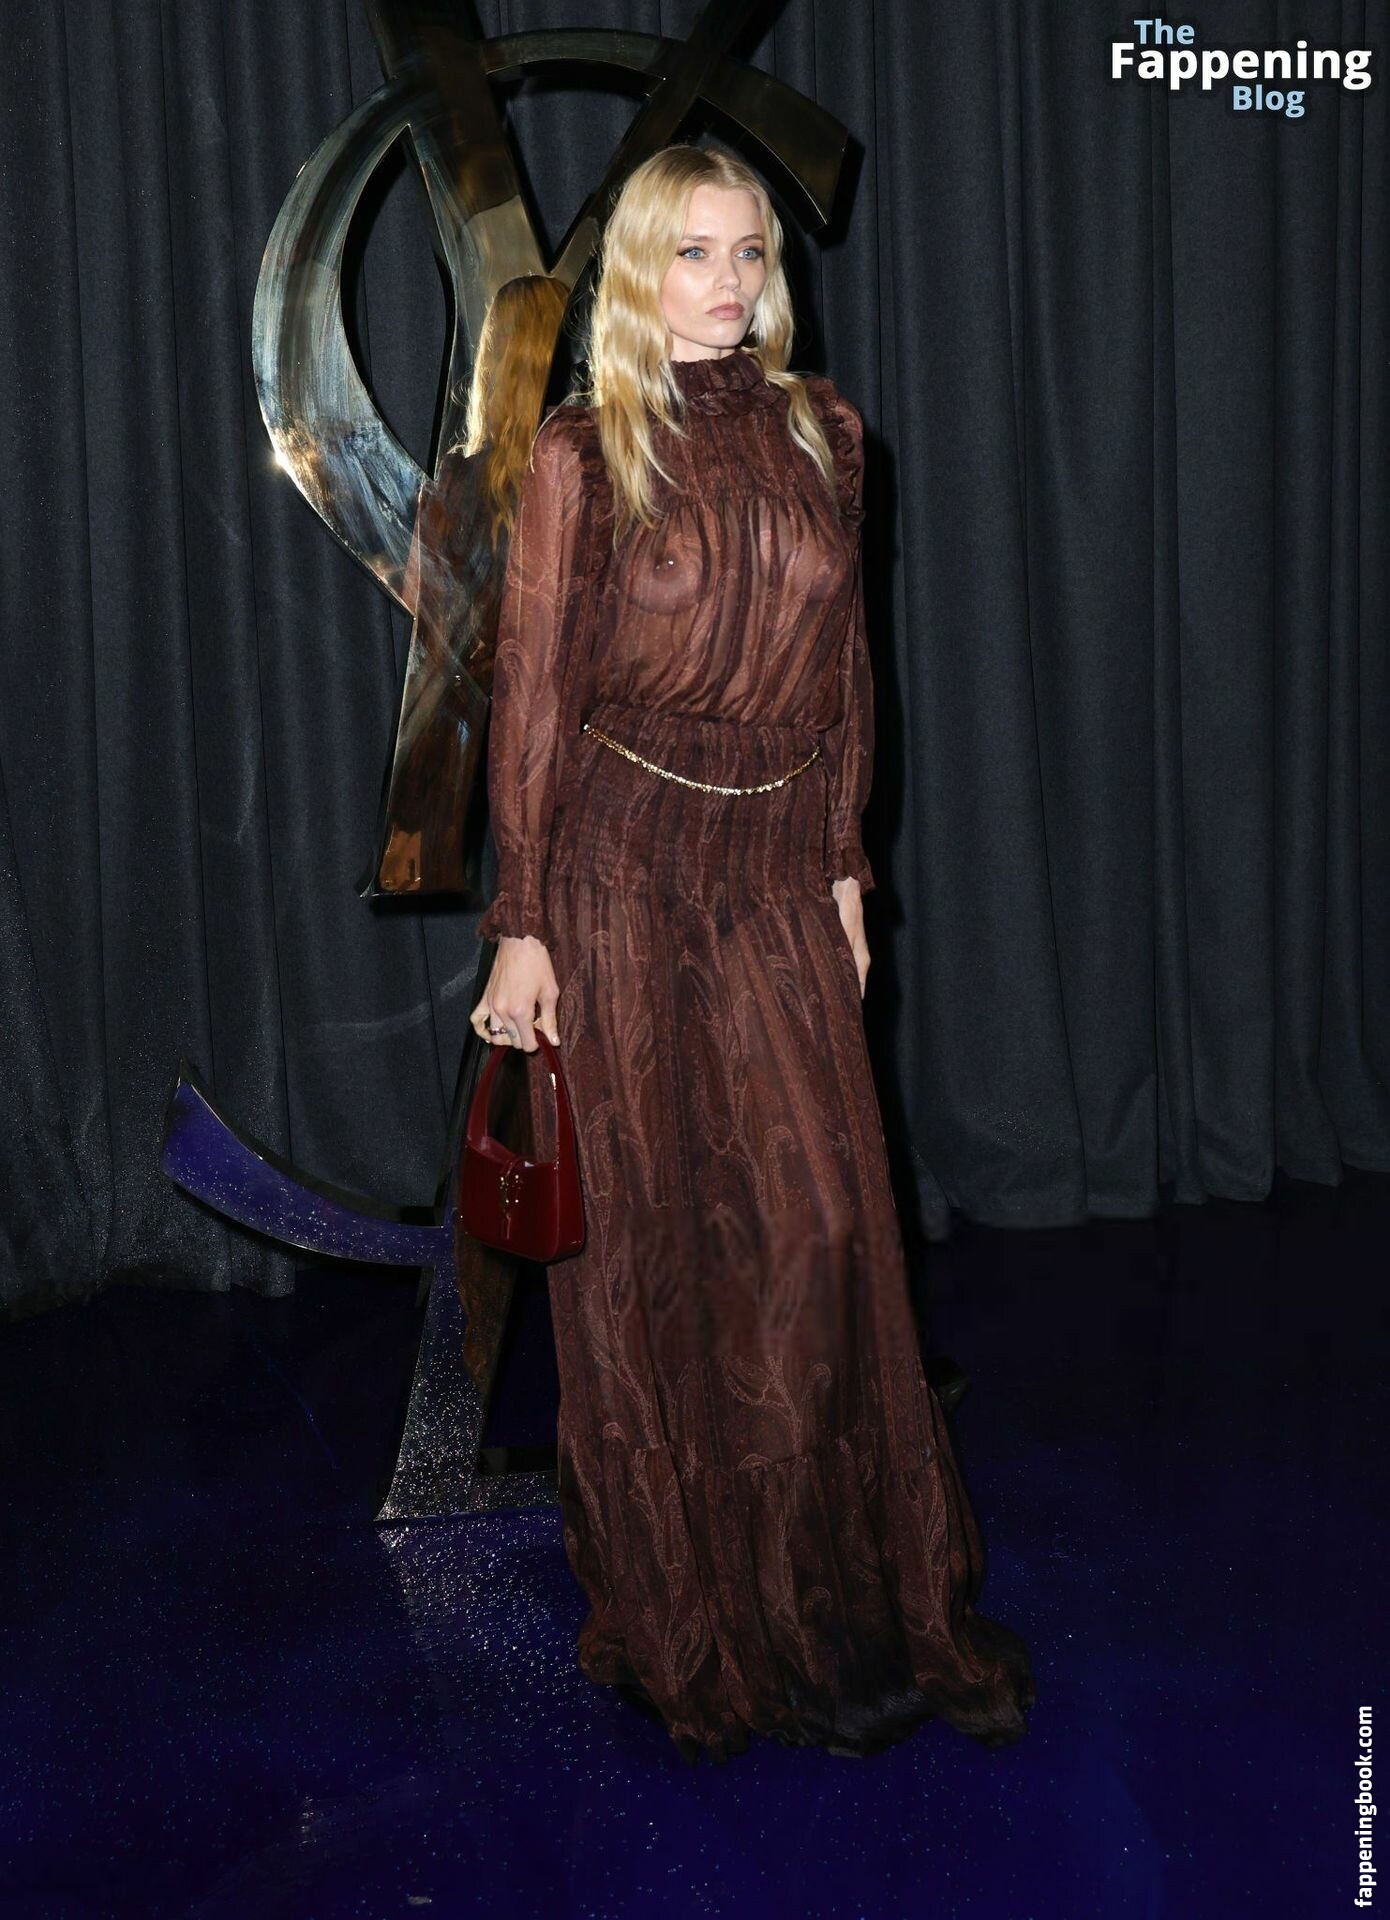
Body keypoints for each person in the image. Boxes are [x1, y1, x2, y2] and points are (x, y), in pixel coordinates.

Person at [469, 142, 1036, 1764]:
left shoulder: (824, 433)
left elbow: (848, 672)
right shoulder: (582, 451)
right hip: (619, 877)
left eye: (748, 254)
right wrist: (521, 922)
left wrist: (846, 867)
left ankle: (839, 1594)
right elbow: (532, 697)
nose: (724, 284)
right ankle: (691, 1613)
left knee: (814, 1236)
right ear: (636, 271)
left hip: (779, 870)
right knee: (653, 1253)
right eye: (691, 252)